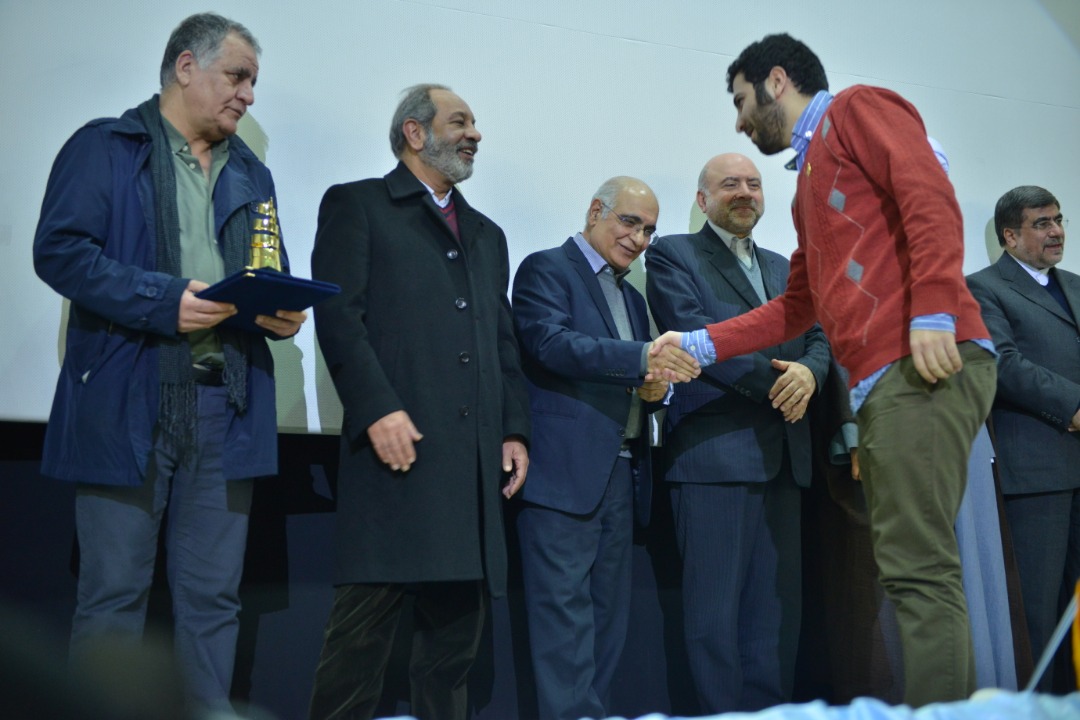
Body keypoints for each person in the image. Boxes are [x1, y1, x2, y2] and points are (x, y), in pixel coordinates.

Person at [654, 33, 997, 706]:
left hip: (920, 360)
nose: (740, 120)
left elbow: (927, 193)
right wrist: (700, 343)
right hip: (886, 381)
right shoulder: (808, 183)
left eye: (741, 100)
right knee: (911, 570)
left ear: (777, 81)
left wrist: (933, 307)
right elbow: (797, 307)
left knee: (918, 570)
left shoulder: (857, 109)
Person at [32, 13, 305, 711]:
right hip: (128, 398)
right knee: (113, 595)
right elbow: (60, 252)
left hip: (226, 406)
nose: (248, 95)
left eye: (253, 82)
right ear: (186, 67)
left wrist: (278, 309)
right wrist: (161, 300)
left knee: (214, 599)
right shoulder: (107, 147)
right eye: (237, 76)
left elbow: (268, 266)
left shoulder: (252, 172)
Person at [307, 84, 531, 720]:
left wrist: (514, 430)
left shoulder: (487, 234)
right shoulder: (358, 205)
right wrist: (377, 407)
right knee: (359, 645)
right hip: (395, 455)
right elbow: (339, 319)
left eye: (474, 123)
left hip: (470, 465)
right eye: (460, 121)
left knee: (453, 652)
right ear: (414, 132)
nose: (475, 134)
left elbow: (502, 342)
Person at [645, 153, 830, 712]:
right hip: (714, 460)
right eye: (730, 184)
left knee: (775, 618)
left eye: (753, 183)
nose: (745, 192)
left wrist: (810, 374)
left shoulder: (784, 264)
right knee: (714, 618)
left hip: (785, 461)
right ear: (703, 200)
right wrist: (781, 387)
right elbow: (696, 337)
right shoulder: (673, 253)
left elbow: (819, 333)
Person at [511, 177, 699, 720]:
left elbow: (637, 377)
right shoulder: (546, 268)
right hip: (563, 475)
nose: (639, 239)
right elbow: (550, 343)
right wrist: (641, 360)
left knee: (608, 623)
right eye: (629, 223)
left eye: (649, 231)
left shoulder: (634, 298)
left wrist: (656, 389)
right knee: (563, 623)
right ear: (596, 211)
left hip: (623, 473)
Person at [966, 186, 1078, 691]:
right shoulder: (982, 288)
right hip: (1035, 474)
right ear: (1010, 236)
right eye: (1042, 223)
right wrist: (1074, 406)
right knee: (1039, 610)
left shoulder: (1074, 285)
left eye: (1059, 220)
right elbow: (1003, 364)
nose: (1056, 232)